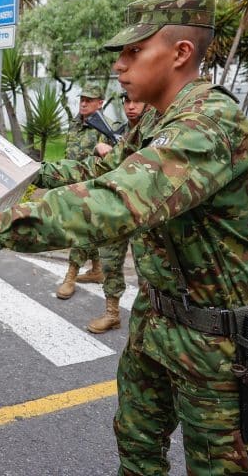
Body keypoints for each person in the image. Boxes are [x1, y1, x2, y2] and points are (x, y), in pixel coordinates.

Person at [0, 0, 248, 474]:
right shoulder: (153, 120)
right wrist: (12, 167)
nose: (120, 67)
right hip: (156, 323)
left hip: (217, 347)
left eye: (133, 52)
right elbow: (92, 172)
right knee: (137, 449)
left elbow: (114, 200)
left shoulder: (208, 123)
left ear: (180, 53)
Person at [86, 93, 150, 334]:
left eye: (137, 101)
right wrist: (101, 150)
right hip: (116, 207)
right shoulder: (119, 131)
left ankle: (148, 321)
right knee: (110, 261)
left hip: (144, 212)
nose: (131, 106)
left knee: (147, 270)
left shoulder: (155, 132)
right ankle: (112, 313)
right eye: (127, 101)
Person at [55, 82, 107, 299]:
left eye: (89, 100)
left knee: (81, 231)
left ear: (100, 103)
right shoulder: (75, 124)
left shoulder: (105, 127)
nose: (84, 103)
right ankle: (96, 269)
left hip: (92, 188)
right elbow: (69, 153)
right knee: (88, 230)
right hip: (71, 183)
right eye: (82, 99)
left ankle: (71, 276)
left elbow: (108, 160)